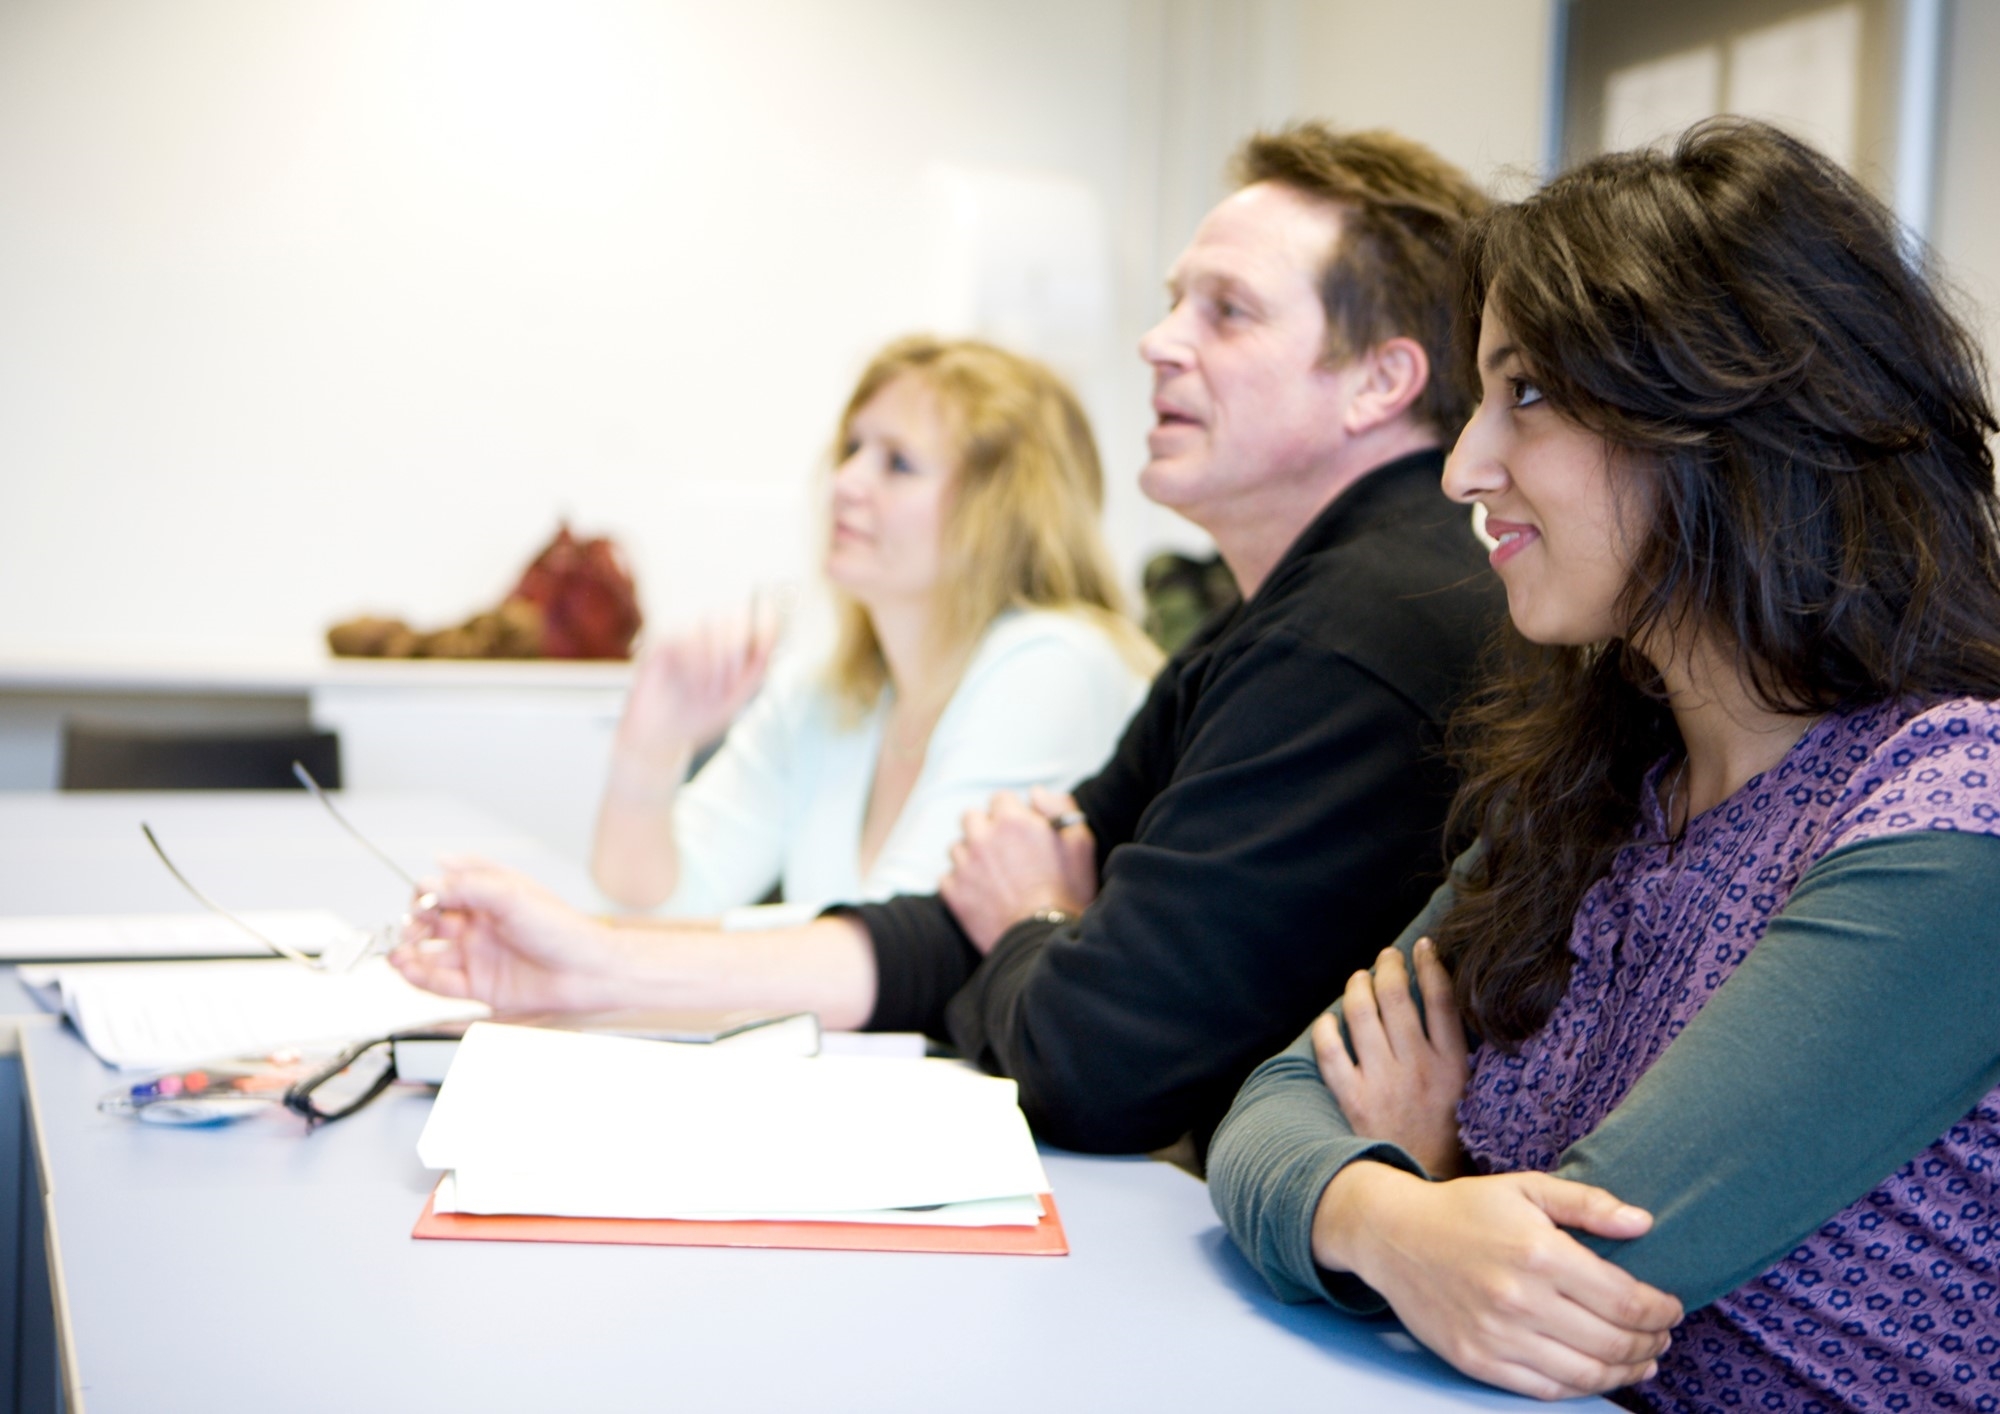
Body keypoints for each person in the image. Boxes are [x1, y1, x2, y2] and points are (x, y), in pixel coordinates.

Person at [392, 123, 1502, 1157]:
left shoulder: (1357, 628)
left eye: (1225, 310)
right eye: (1174, 303)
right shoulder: (1277, 618)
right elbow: (951, 941)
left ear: (1378, 381)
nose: (1155, 342)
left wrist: (1036, 918)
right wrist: (584, 972)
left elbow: (1089, 1052)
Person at [1207, 118, 2000, 1411]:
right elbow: (1275, 1107)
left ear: (1723, 420)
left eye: (1527, 393)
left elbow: (1582, 1264)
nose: (1464, 467)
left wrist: (1422, 1178)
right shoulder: (1604, 794)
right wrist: (1393, 1218)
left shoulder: (1956, 817)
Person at [590, 335, 1156, 919]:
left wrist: (640, 953)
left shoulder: (1056, 664)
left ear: (1003, 512)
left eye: (898, 462)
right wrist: (648, 750)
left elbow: (899, 942)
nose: (845, 482)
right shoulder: (824, 691)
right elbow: (656, 912)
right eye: (852, 449)